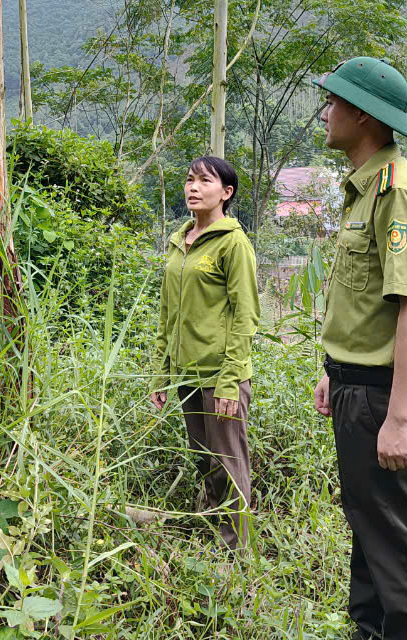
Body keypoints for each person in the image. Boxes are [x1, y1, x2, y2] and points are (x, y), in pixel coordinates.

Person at [310, 58, 407, 640]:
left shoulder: (398, 193)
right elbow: (363, 303)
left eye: (334, 102)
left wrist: (397, 418)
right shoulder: (364, 189)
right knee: (369, 532)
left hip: (381, 399)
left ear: (362, 115)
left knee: (397, 548)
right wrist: (332, 371)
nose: (325, 112)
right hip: (356, 387)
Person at [150, 156, 260, 550]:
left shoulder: (233, 243)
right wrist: (162, 373)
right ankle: (212, 532)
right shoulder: (181, 241)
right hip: (187, 375)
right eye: (189, 179)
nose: (193, 187)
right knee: (205, 459)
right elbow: (168, 315)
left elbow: (245, 316)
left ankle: (234, 553)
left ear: (226, 193)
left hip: (220, 376)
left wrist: (231, 381)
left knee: (228, 463)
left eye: (205, 181)